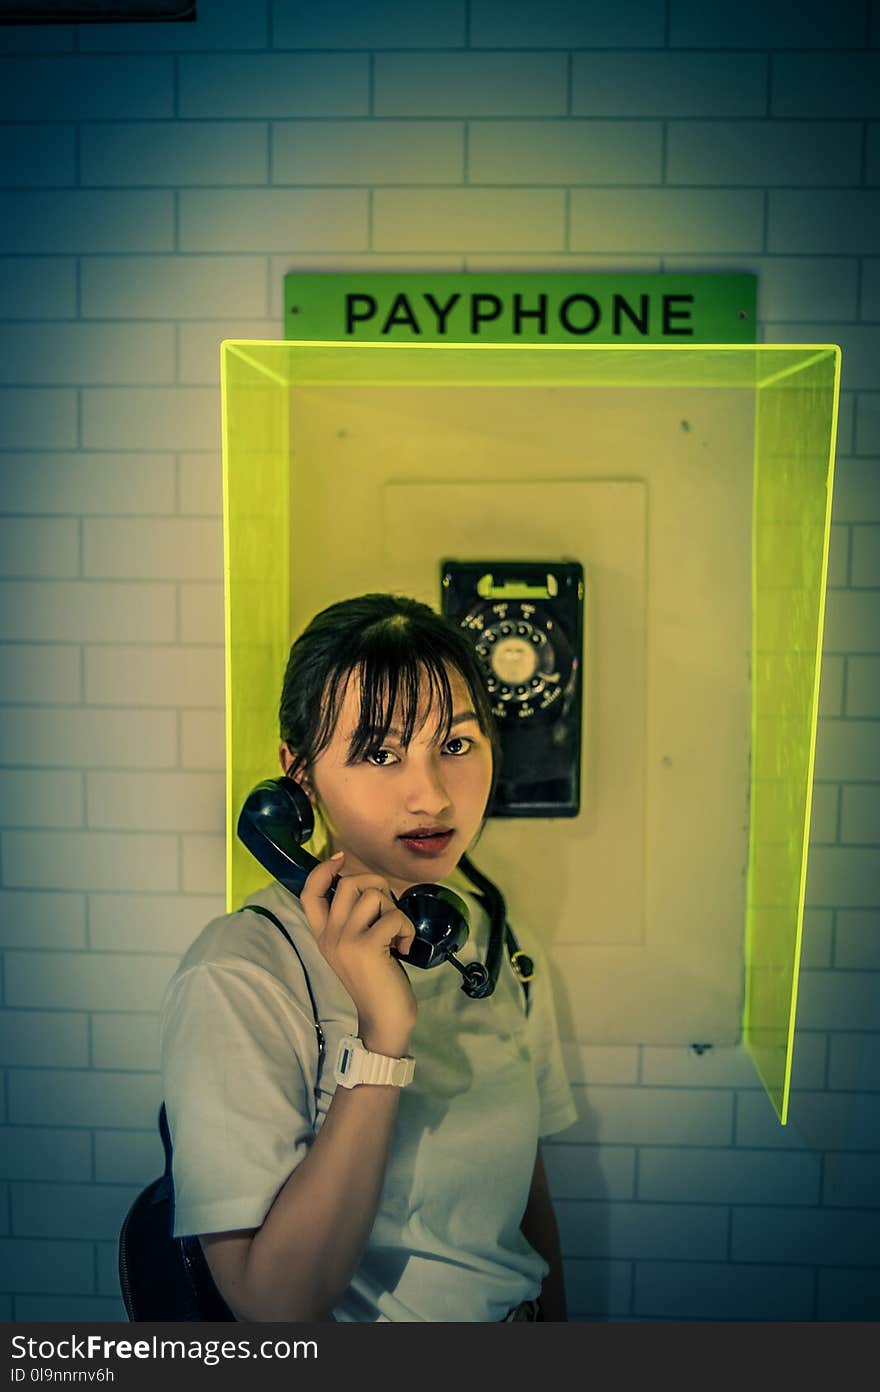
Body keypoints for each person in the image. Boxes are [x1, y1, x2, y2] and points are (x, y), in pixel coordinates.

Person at [160, 592, 577, 1323]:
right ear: (298, 776)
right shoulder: (241, 974)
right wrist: (383, 1037)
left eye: (455, 745)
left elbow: (527, 1195)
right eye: (380, 753)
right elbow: (274, 1303)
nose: (432, 796)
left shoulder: (488, 939)